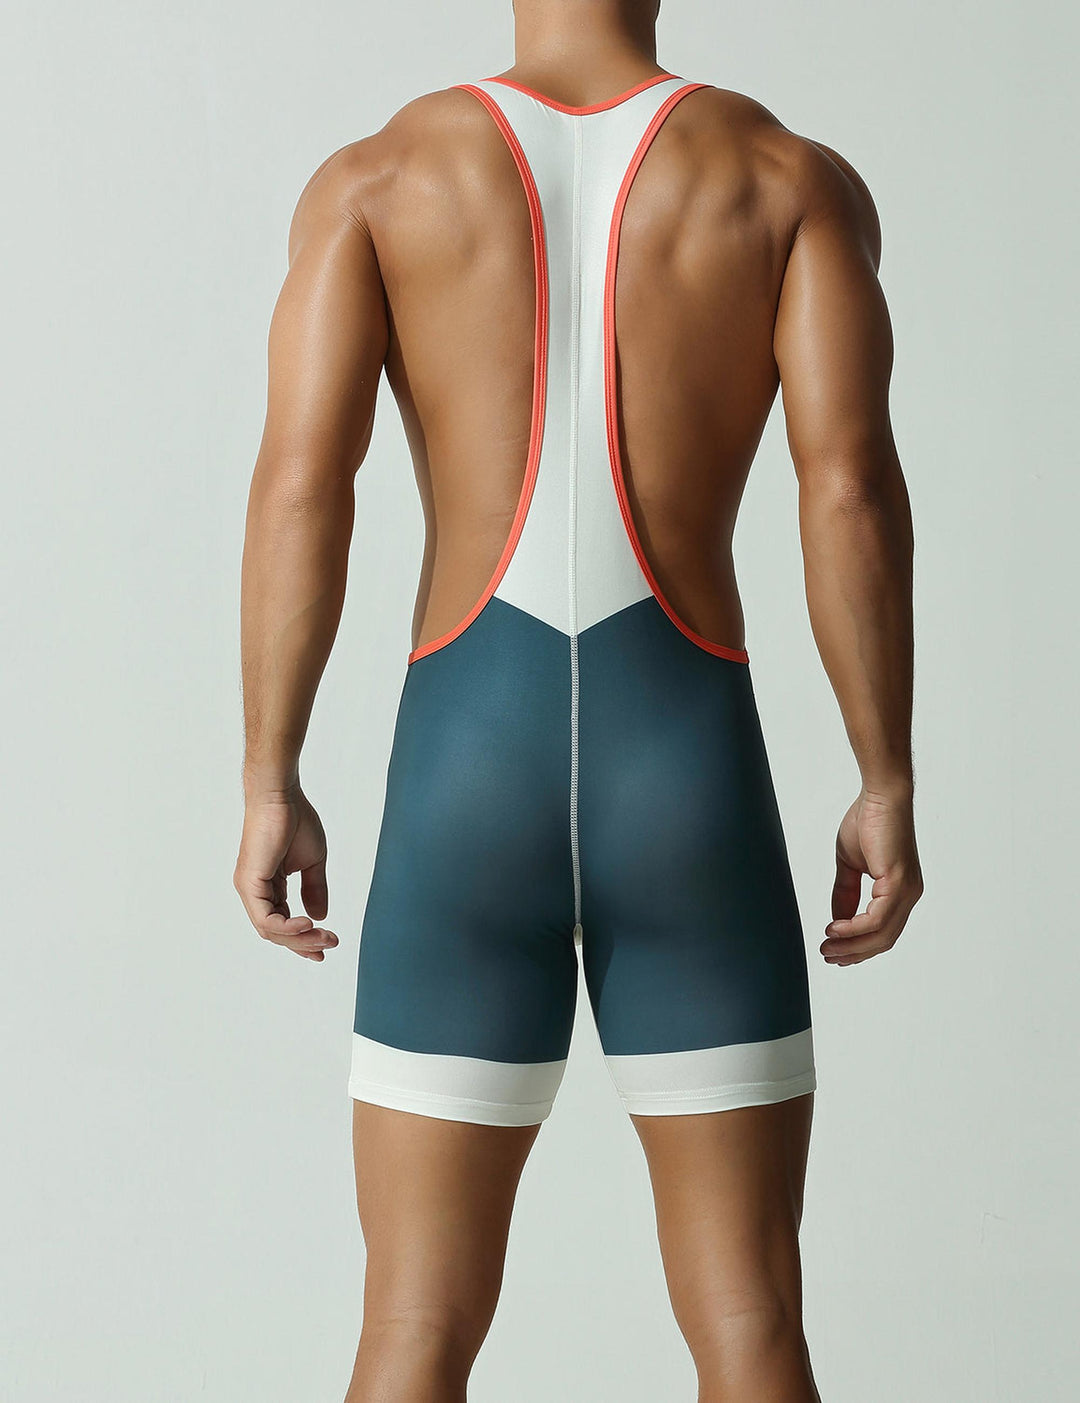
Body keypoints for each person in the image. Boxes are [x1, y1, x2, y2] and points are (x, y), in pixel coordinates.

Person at [233, 1, 924, 1397]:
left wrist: (270, 778)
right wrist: (884, 776)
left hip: (463, 774)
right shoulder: (783, 178)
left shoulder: (379, 175)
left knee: (411, 1330)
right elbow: (846, 485)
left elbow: (304, 487)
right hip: (686, 773)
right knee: (750, 1324)